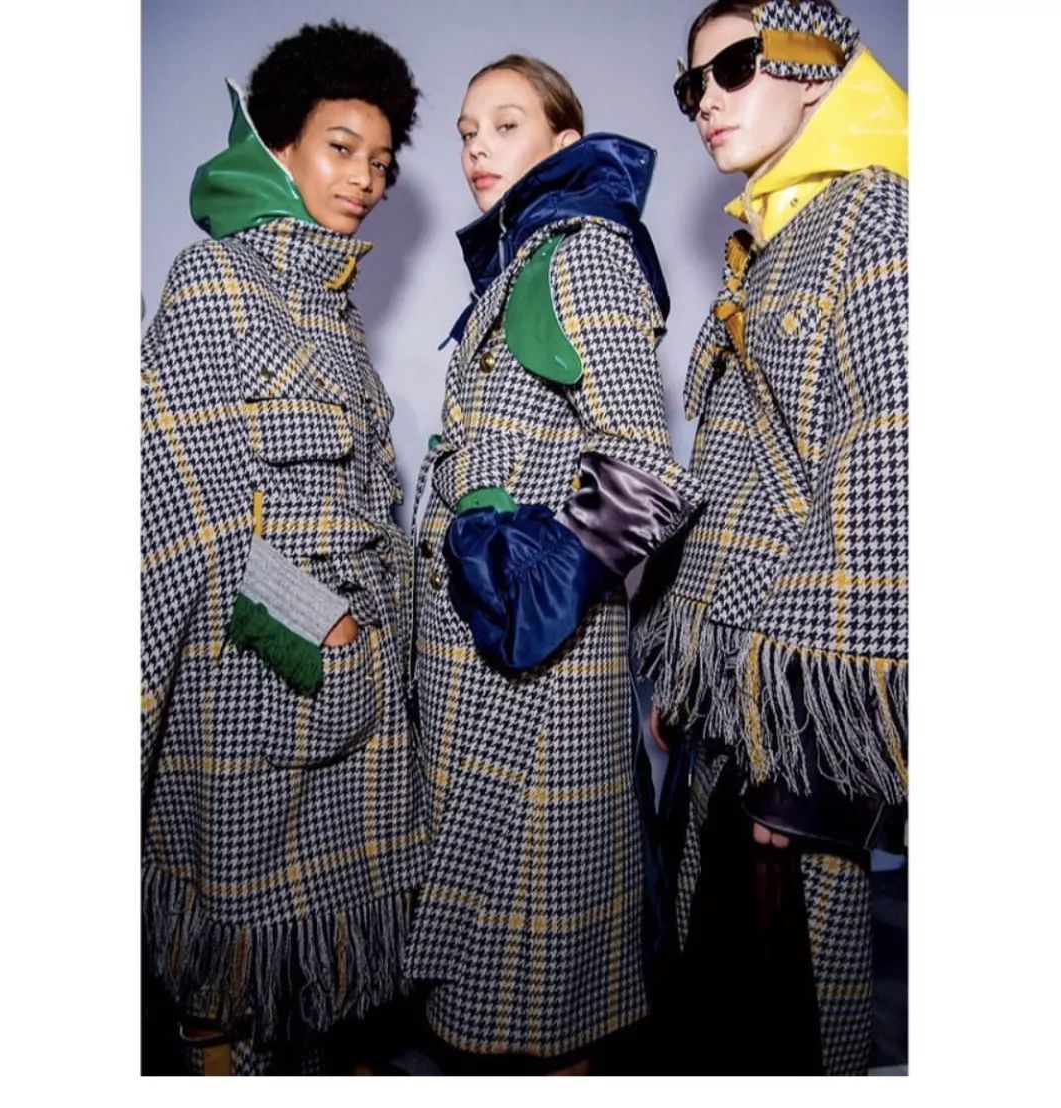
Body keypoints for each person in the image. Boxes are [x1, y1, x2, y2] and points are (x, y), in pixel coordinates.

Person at [404, 56, 705, 1072]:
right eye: (466, 131)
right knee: (500, 974)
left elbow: (644, 466)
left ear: (564, 144)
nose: (477, 148)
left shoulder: (582, 253)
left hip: (538, 677)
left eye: (505, 124)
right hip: (483, 665)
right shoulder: (522, 257)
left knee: (539, 981)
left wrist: (531, 590)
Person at [140, 21, 425, 1075]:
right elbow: (187, 509)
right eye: (342, 148)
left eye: (382, 162)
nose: (365, 180)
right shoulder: (215, 281)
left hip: (359, 691)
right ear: (279, 145)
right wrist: (323, 629)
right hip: (253, 681)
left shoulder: (334, 312)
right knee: (234, 972)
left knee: (331, 983)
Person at [635, 0, 908, 1075]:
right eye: (689, 84)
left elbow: (889, 469)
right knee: (715, 1008)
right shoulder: (768, 238)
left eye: (735, 66)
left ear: (815, 67)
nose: (705, 98)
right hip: (731, 697)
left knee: (789, 1020)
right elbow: (736, 480)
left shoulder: (876, 214)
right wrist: (685, 675)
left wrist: (809, 770)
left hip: (794, 710)